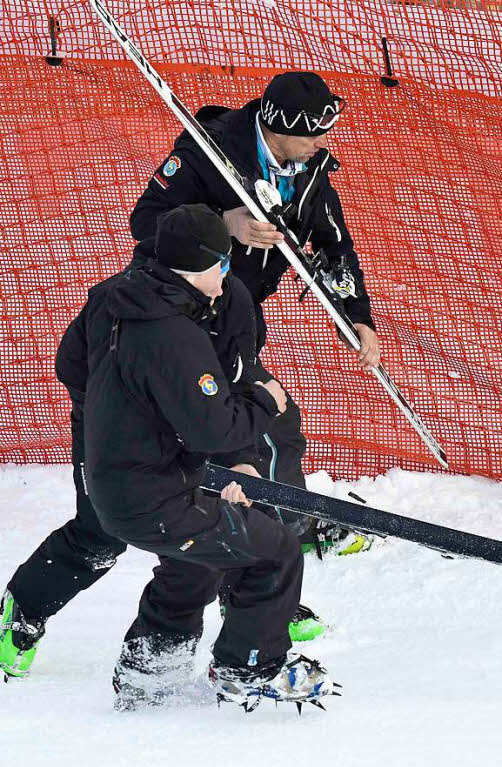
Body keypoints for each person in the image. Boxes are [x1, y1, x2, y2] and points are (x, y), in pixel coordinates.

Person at [1, 224, 322, 683]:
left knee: (206, 533)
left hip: (193, 428)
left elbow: (241, 379)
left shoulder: (233, 301)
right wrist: (129, 421)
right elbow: (72, 365)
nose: (225, 272)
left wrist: (238, 458)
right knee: (101, 533)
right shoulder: (120, 301)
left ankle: (235, 614)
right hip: (112, 428)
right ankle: (23, 610)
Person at [79, 204, 330, 709]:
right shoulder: (171, 334)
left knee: (201, 557)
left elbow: (80, 368)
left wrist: (197, 455)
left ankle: (151, 668)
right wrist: (266, 402)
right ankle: (249, 668)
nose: (228, 274)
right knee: (273, 550)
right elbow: (213, 424)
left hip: (133, 482)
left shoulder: (128, 303)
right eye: (225, 263)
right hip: (150, 493)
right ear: (199, 268)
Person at [130, 70, 379, 559]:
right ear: (279, 127)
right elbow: (146, 222)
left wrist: (357, 317)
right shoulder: (210, 151)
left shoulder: (310, 170)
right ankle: (279, 533)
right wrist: (224, 224)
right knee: (264, 423)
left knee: (247, 424)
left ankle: (239, 525)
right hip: (180, 312)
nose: (321, 142)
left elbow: (334, 246)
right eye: (312, 132)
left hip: (238, 315)